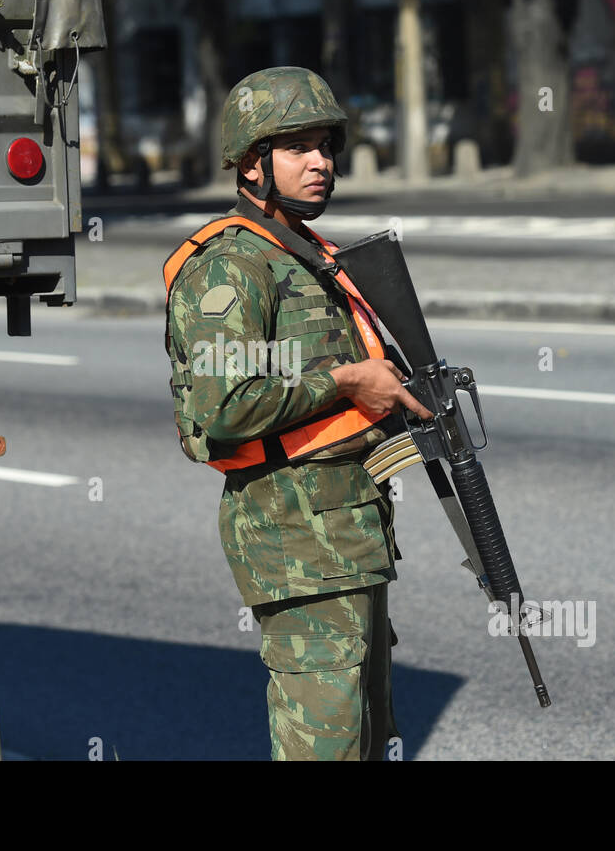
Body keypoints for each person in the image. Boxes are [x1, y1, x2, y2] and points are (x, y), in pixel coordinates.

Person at [162, 66, 432, 760]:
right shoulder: (231, 266)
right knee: (326, 749)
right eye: (299, 147)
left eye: (326, 145)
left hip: (350, 534)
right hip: (297, 542)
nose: (322, 163)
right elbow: (223, 401)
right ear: (252, 163)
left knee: (369, 741)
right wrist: (348, 383)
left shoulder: (310, 256)